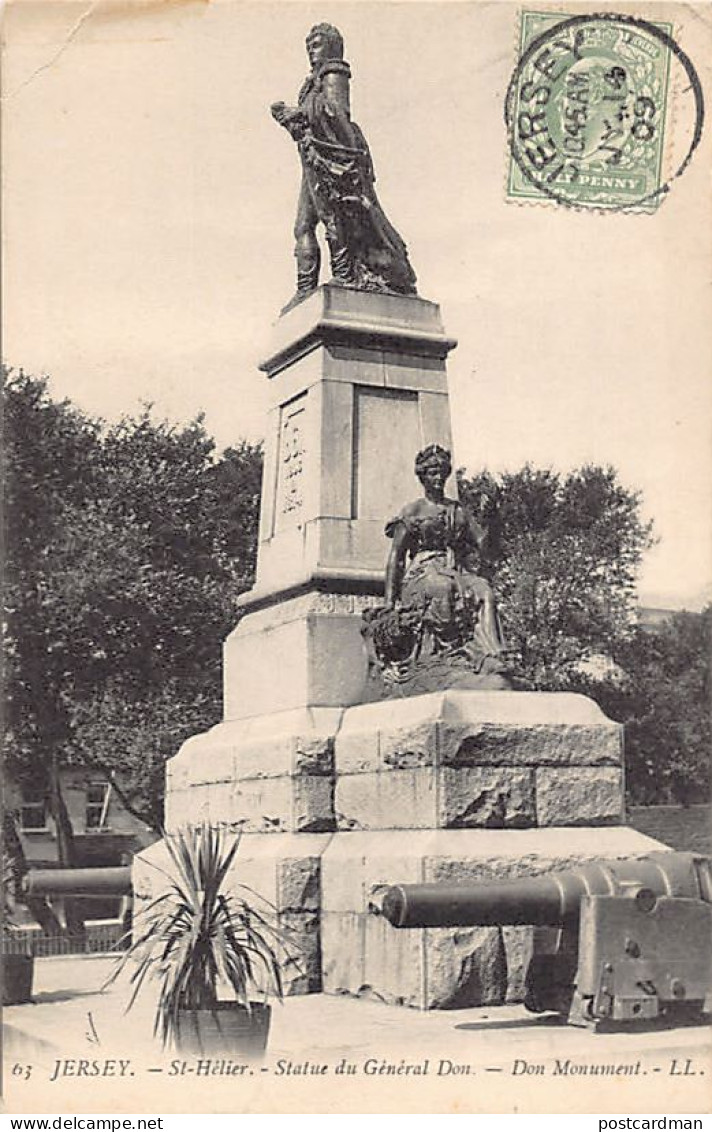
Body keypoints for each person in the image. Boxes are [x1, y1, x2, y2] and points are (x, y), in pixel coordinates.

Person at [271, 24, 417, 311]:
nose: (311, 51)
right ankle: (305, 289)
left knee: (332, 218)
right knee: (303, 226)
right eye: (308, 46)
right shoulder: (312, 83)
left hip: (333, 161)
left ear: (331, 46)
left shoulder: (334, 73)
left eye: (316, 44)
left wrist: (298, 113)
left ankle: (344, 276)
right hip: (313, 159)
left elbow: (337, 114)